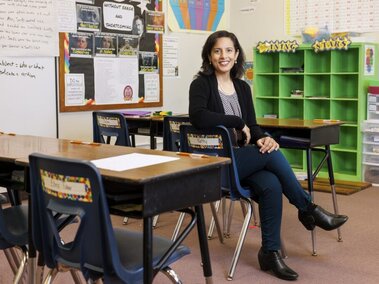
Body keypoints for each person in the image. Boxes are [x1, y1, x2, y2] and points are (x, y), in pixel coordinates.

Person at [189, 30, 348, 281]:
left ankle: (270, 253)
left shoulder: (242, 86)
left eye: (229, 50)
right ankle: (307, 208)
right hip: (216, 164)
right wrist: (236, 121)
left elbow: (251, 126)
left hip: (240, 161)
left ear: (237, 54)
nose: (224, 56)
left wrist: (263, 136)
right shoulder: (201, 84)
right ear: (209, 55)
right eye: (218, 50)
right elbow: (198, 116)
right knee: (271, 157)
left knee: (272, 183)